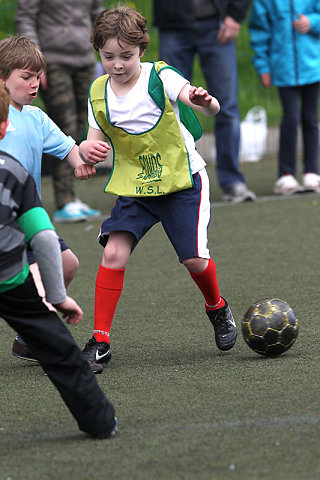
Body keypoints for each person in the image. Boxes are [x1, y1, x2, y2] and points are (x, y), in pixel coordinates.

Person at [78, 5, 237, 373]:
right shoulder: (98, 91)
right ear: (98, 52)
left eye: (126, 56)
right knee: (113, 254)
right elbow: (94, 139)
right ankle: (100, 341)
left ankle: (216, 307)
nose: (117, 64)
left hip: (183, 182)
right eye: (108, 56)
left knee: (194, 260)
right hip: (137, 188)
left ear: (141, 50)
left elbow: (209, 108)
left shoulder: (160, 76)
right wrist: (87, 154)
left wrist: (204, 101)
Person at [0, 81, 117, 438]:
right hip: (9, 277)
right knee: (61, 354)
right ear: (5, 125)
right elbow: (44, 238)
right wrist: (57, 297)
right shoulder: (13, 172)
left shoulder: (33, 122)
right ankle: (99, 422)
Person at [0, 35, 96, 363]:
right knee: (37, 278)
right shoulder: (1, 120)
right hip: (5, 224)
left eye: (38, 76)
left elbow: (67, 146)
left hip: (32, 218)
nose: (35, 84)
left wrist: (81, 158)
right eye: (25, 77)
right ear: (2, 79)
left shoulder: (37, 117)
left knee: (66, 264)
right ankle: (51, 348)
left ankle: (27, 339)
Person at [152, 0, 256, 203]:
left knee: (227, 107)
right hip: (172, 24)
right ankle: (175, 182)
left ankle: (233, 181)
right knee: (168, 106)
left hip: (216, 22)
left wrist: (235, 15)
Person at [15, 0, 103, 222]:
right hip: (52, 62)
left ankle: (71, 198)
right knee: (64, 127)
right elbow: (25, 17)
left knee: (82, 124)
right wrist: (36, 63)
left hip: (84, 60)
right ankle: (64, 201)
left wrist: (105, 51)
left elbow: (98, 15)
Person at [249, 1, 320, 195]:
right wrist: (263, 66)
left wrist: (312, 22)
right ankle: (285, 175)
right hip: (283, 68)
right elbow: (259, 31)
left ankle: (311, 172)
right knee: (290, 119)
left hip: (313, 66)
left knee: (310, 119)